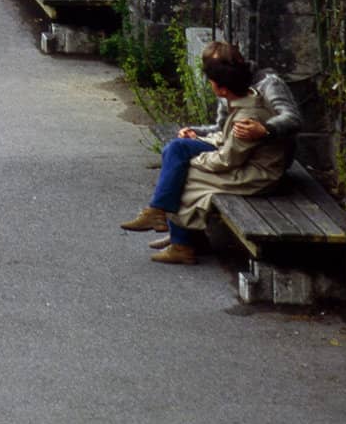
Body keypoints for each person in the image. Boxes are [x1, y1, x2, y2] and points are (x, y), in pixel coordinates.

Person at [120, 41, 299, 265]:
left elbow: (292, 119)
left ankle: (181, 239)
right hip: (238, 149)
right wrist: (195, 132)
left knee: (185, 172)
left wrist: (266, 130)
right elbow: (221, 128)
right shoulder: (235, 90)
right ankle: (169, 224)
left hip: (259, 157)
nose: (210, 75)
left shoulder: (265, 85)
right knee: (176, 149)